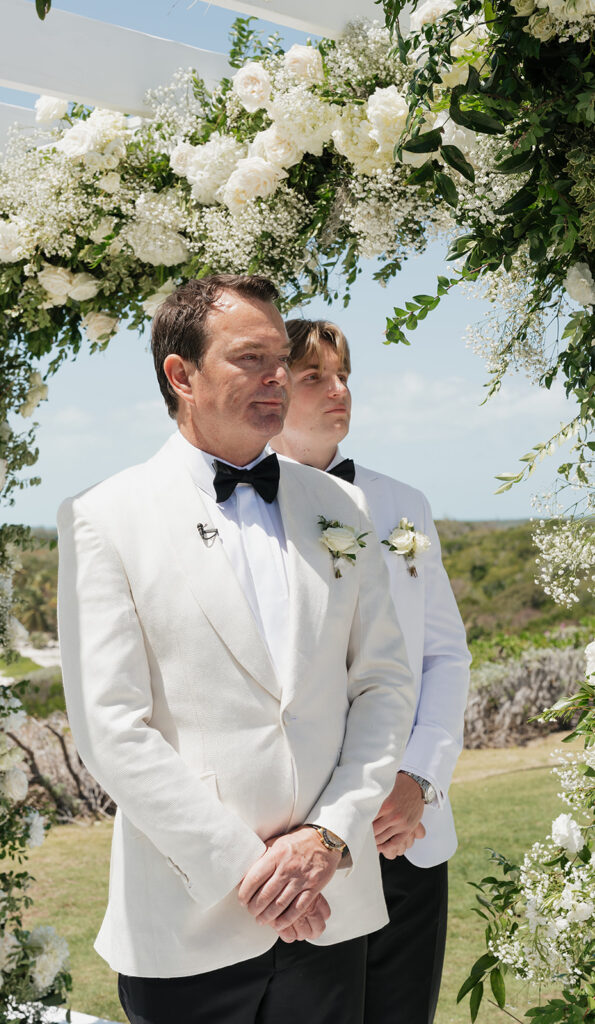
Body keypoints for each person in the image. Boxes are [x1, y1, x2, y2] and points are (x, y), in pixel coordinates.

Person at [56, 275, 416, 1024]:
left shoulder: (338, 507)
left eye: (280, 359)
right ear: (180, 374)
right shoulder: (105, 517)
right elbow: (111, 728)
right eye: (251, 359)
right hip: (192, 920)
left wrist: (326, 839)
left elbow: (382, 684)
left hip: (331, 904)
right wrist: (252, 873)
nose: (277, 377)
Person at [271, 318, 471, 1024]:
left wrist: (419, 779)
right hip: (308, 840)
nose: (339, 391)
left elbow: (443, 653)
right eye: (314, 378)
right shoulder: (251, 508)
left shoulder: (402, 505)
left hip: (408, 834)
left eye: (344, 374)